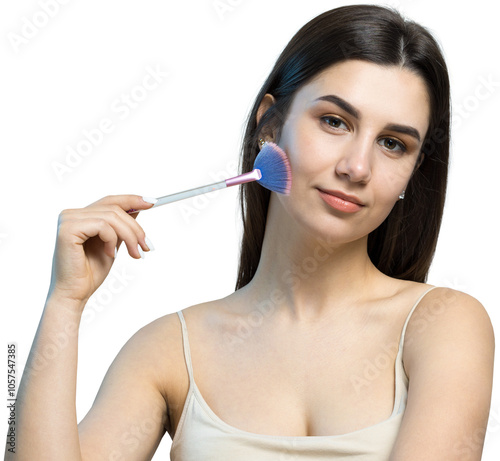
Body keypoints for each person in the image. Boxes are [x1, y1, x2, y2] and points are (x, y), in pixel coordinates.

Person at [6, 4, 495, 460]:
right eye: (334, 121)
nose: (357, 166)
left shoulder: (443, 327)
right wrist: (63, 305)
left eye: (392, 143)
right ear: (271, 125)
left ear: (413, 171)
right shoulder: (168, 350)